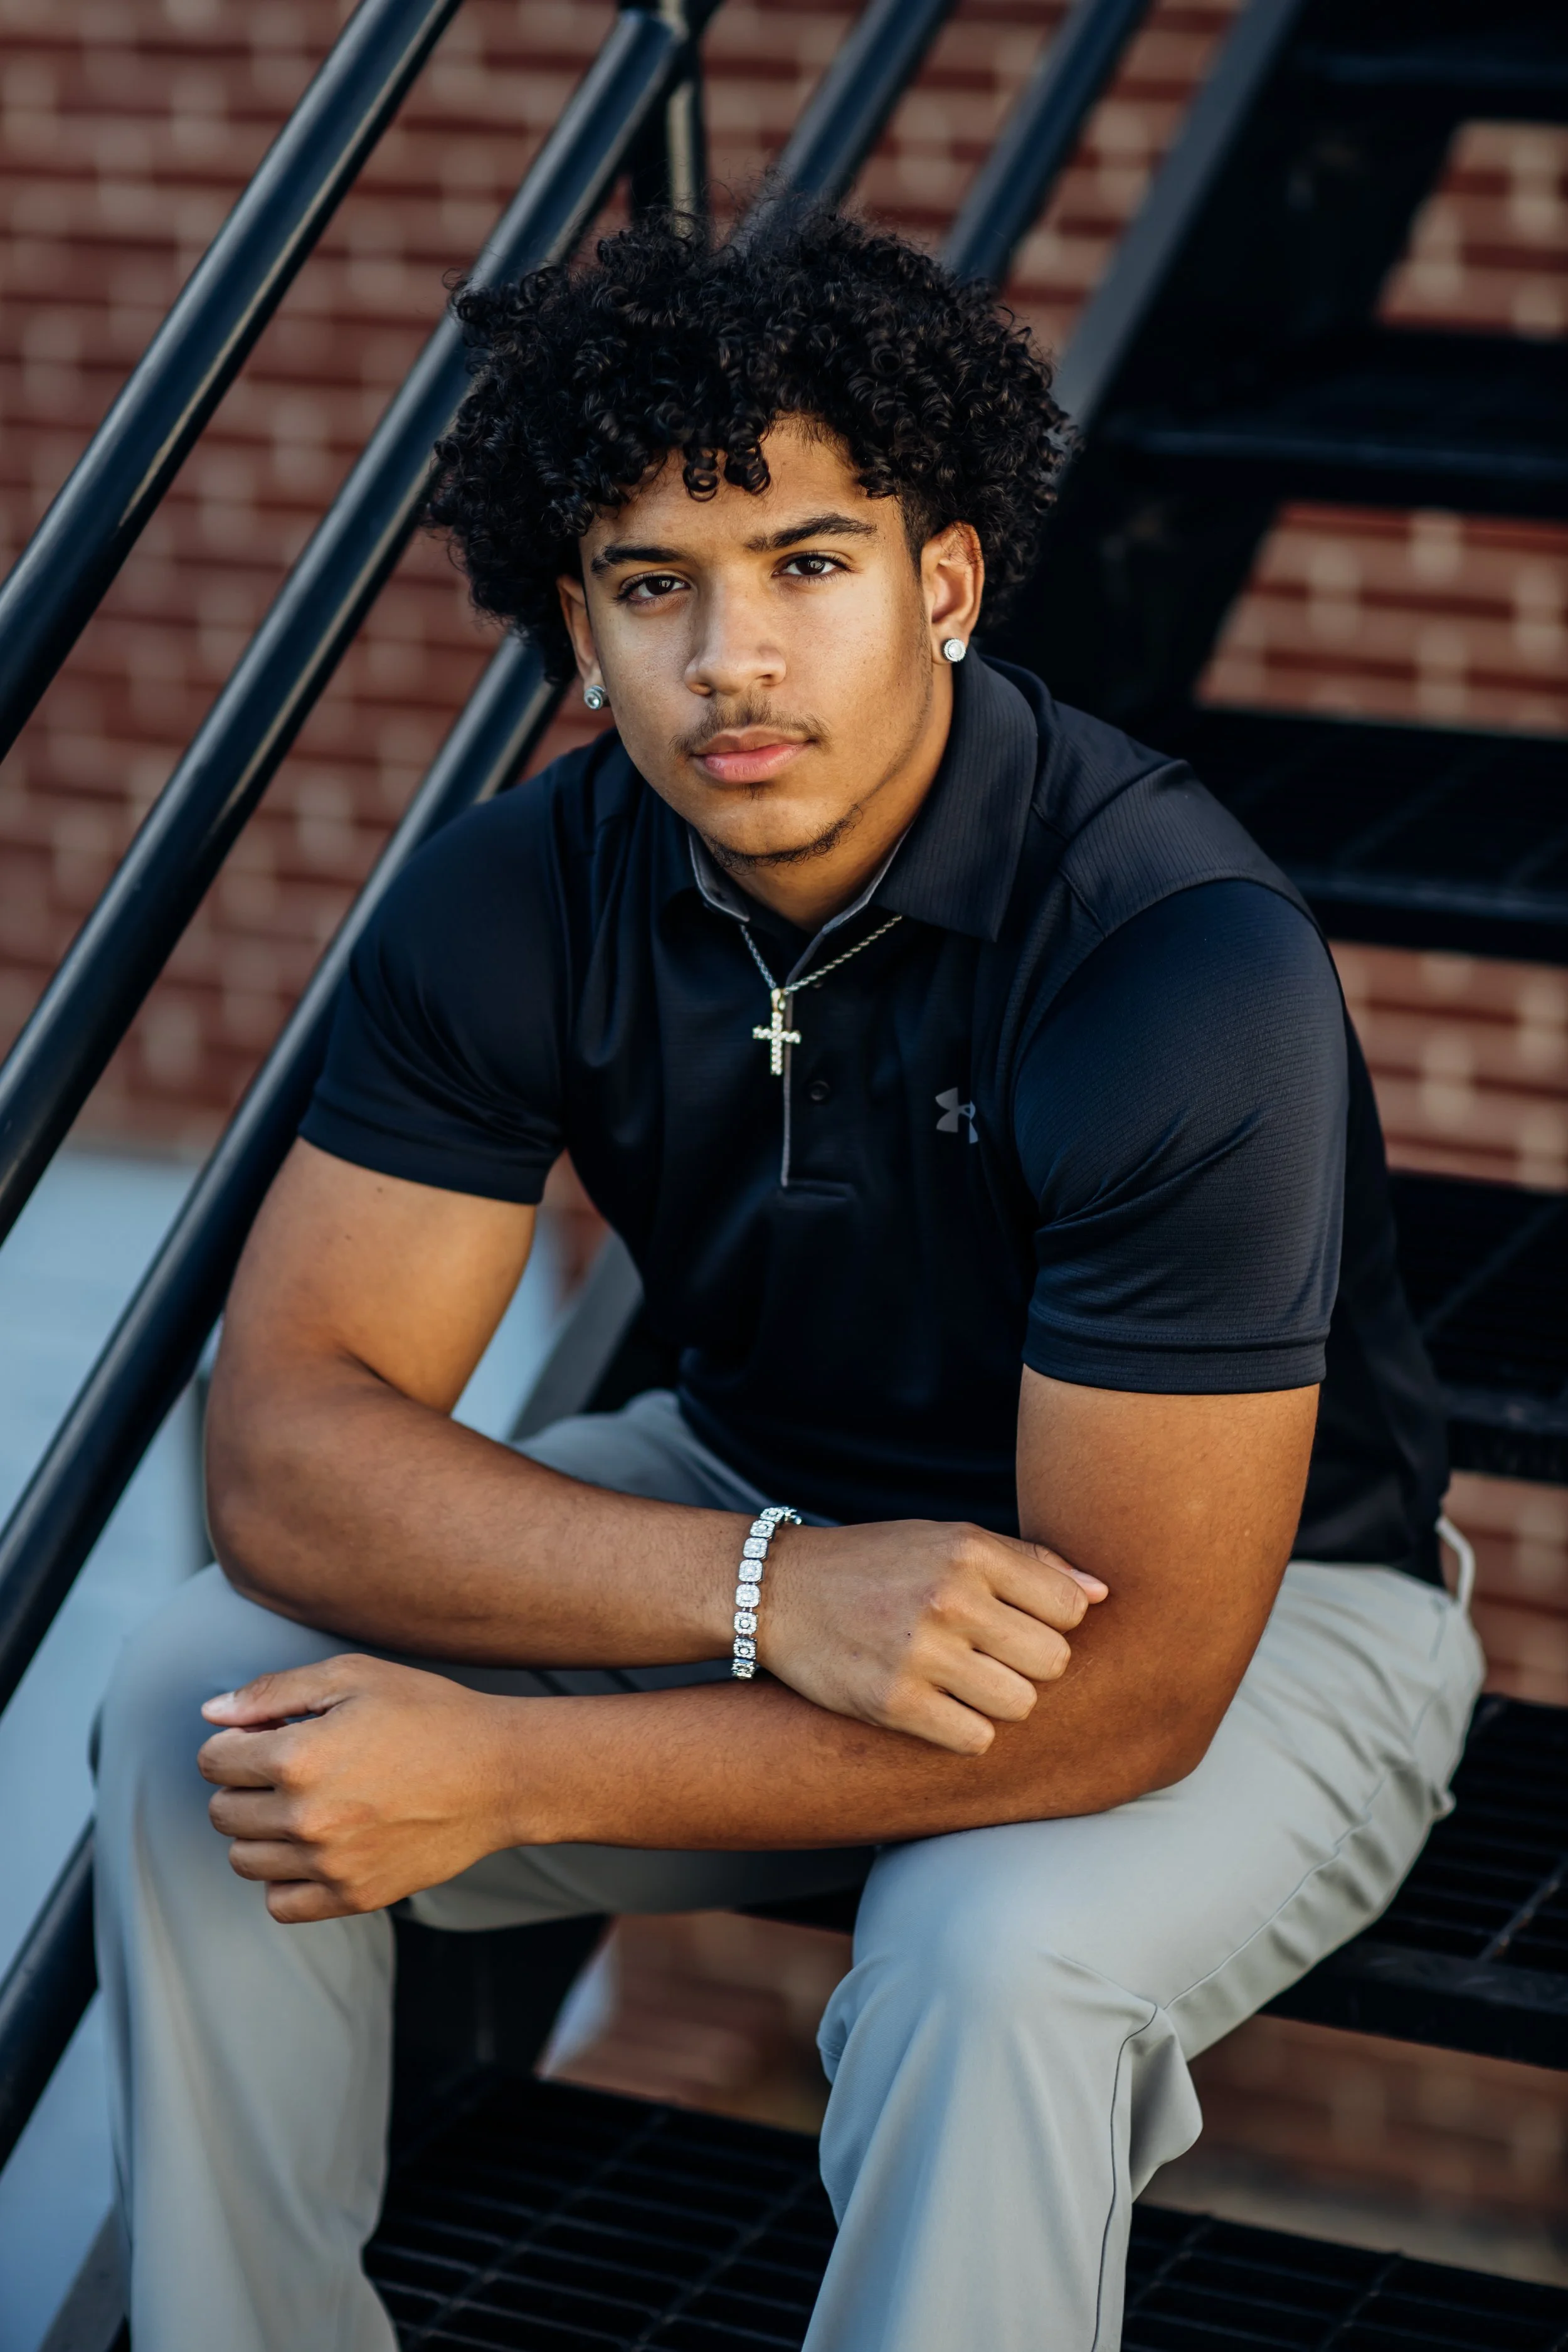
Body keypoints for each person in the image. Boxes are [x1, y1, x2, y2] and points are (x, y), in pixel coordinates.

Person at [95, 207, 1481, 2352]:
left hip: (1262, 1606)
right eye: (658, 586)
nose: (731, 660)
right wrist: (764, 1587)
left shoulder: (1174, 956)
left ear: (940, 582)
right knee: (206, 1709)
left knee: (985, 1945)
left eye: (807, 565)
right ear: (580, 626)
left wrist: (519, 1766)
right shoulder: (511, 897)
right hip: (760, 1489)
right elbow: (284, 1450)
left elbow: (1134, 1685)